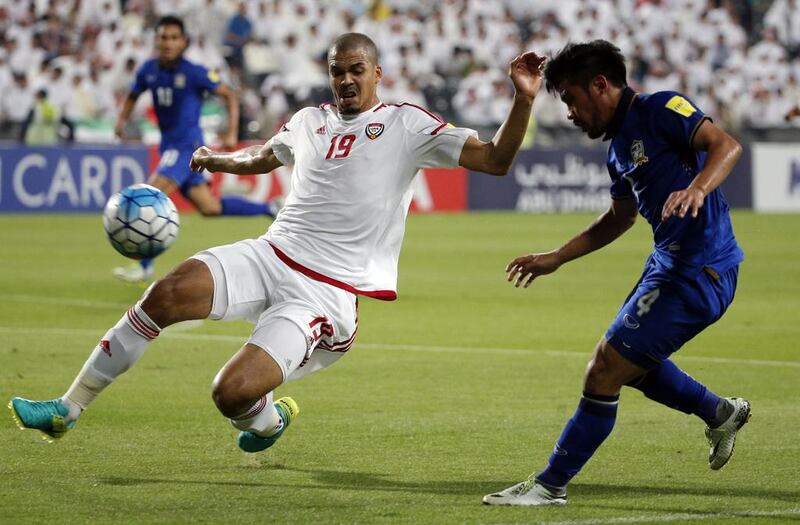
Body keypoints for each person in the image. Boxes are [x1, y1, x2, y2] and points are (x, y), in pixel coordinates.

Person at [9, 34, 545, 455]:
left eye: (357, 70)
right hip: (271, 253)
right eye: (338, 71)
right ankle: (67, 407)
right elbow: (264, 156)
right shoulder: (309, 120)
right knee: (165, 293)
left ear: (377, 73)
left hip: (324, 295)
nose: (346, 80)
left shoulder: (406, 124)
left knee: (231, 393)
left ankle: (268, 417)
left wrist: (521, 100)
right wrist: (220, 161)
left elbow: (495, 160)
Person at [483, 40, 750, 507]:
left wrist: (697, 188)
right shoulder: (617, 150)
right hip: (667, 265)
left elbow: (726, 146)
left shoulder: (662, 107)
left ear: (600, 85)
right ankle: (720, 412)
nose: (569, 112)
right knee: (628, 365)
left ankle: (550, 486)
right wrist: (556, 257)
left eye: (569, 98)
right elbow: (619, 219)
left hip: (700, 270)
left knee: (603, 370)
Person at [113, 15, 278, 283]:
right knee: (209, 207)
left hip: (186, 147)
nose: (168, 43)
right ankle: (269, 208)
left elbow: (228, 95)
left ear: (184, 42)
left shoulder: (194, 72)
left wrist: (231, 131)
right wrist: (121, 120)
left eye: (174, 38)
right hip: (170, 145)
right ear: (156, 40)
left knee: (151, 195)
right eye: (163, 37)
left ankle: (143, 265)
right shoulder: (148, 70)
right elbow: (133, 94)